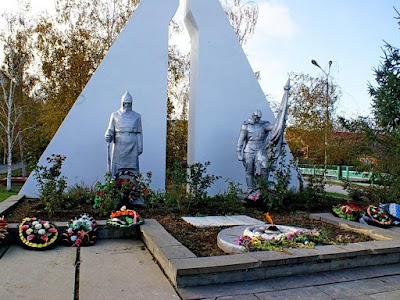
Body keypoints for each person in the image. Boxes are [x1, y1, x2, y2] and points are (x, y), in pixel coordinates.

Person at [105, 91, 143, 177]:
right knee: (118, 166)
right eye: (125, 103)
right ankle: (116, 180)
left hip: (133, 143)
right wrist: (108, 135)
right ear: (122, 103)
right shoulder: (115, 115)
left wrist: (140, 146)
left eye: (129, 103)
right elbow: (110, 129)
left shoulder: (137, 116)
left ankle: (133, 182)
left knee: (132, 167)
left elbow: (139, 132)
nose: (127, 105)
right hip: (119, 143)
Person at [236, 110, 273, 194]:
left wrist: (281, 120)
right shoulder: (246, 125)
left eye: (259, 117)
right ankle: (250, 189)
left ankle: (262, 188)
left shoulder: (263, 125)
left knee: (265, 167)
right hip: (249, 150)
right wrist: (238, 152)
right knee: (249, 171)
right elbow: (241, 140)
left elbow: (274, 127)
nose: (257, 119)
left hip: (260, 149)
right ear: (253, 116)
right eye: (256, 117)